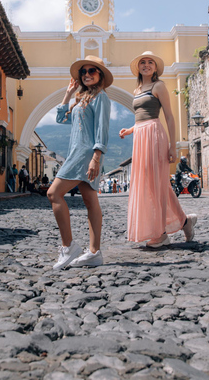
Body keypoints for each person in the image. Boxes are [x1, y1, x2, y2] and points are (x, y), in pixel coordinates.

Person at [120, 51, 197, 248]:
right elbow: (141, 118)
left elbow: (169, 117)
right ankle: (185, 222)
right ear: (138, 67)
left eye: (150, 62)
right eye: (143, 62)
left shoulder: (158, 85)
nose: (146, 65)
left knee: (155, 184)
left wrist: (173, 146)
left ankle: (161, 234)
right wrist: (130, 130)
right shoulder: (137, 90)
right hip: (140, 137)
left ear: (155, 67)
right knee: (153, 184)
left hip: (154, 135)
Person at [47, 56, 112, 269]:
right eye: (83, 71)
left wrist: (96, 157)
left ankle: (69, 247)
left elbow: (102, 129)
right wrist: (67, 94)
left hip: (86, 154)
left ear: (100, 75)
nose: (87, 74)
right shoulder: (81, 99)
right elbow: (60, 119)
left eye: (92, 70)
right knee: (90, 200)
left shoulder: (101, 97)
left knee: (54, 193)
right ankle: (94, 252)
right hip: (77, 151)